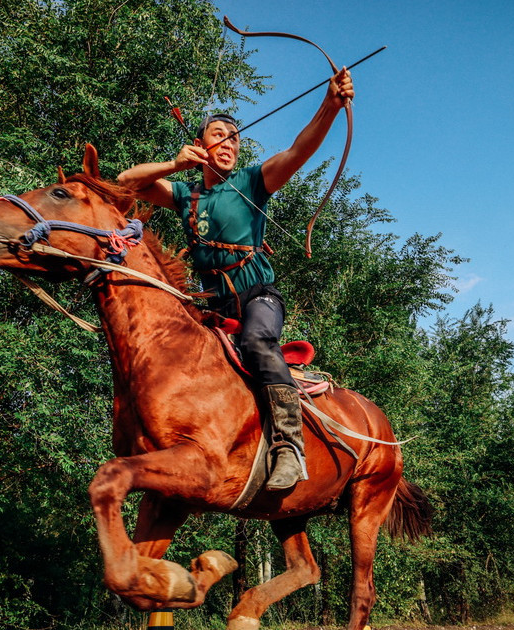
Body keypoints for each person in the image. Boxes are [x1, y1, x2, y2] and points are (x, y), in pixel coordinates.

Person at [117, 68, 354, 490]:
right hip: (214, 305)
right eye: (219, 135)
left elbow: (300, 150)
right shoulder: (185, 193)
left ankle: (289, 446)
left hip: (258, 296)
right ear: (200, 143)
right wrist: (174, 163)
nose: (228, 144)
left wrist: (330, 105)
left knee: (258, 342)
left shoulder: (252, 182)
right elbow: (124, 184)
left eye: (234, 138)